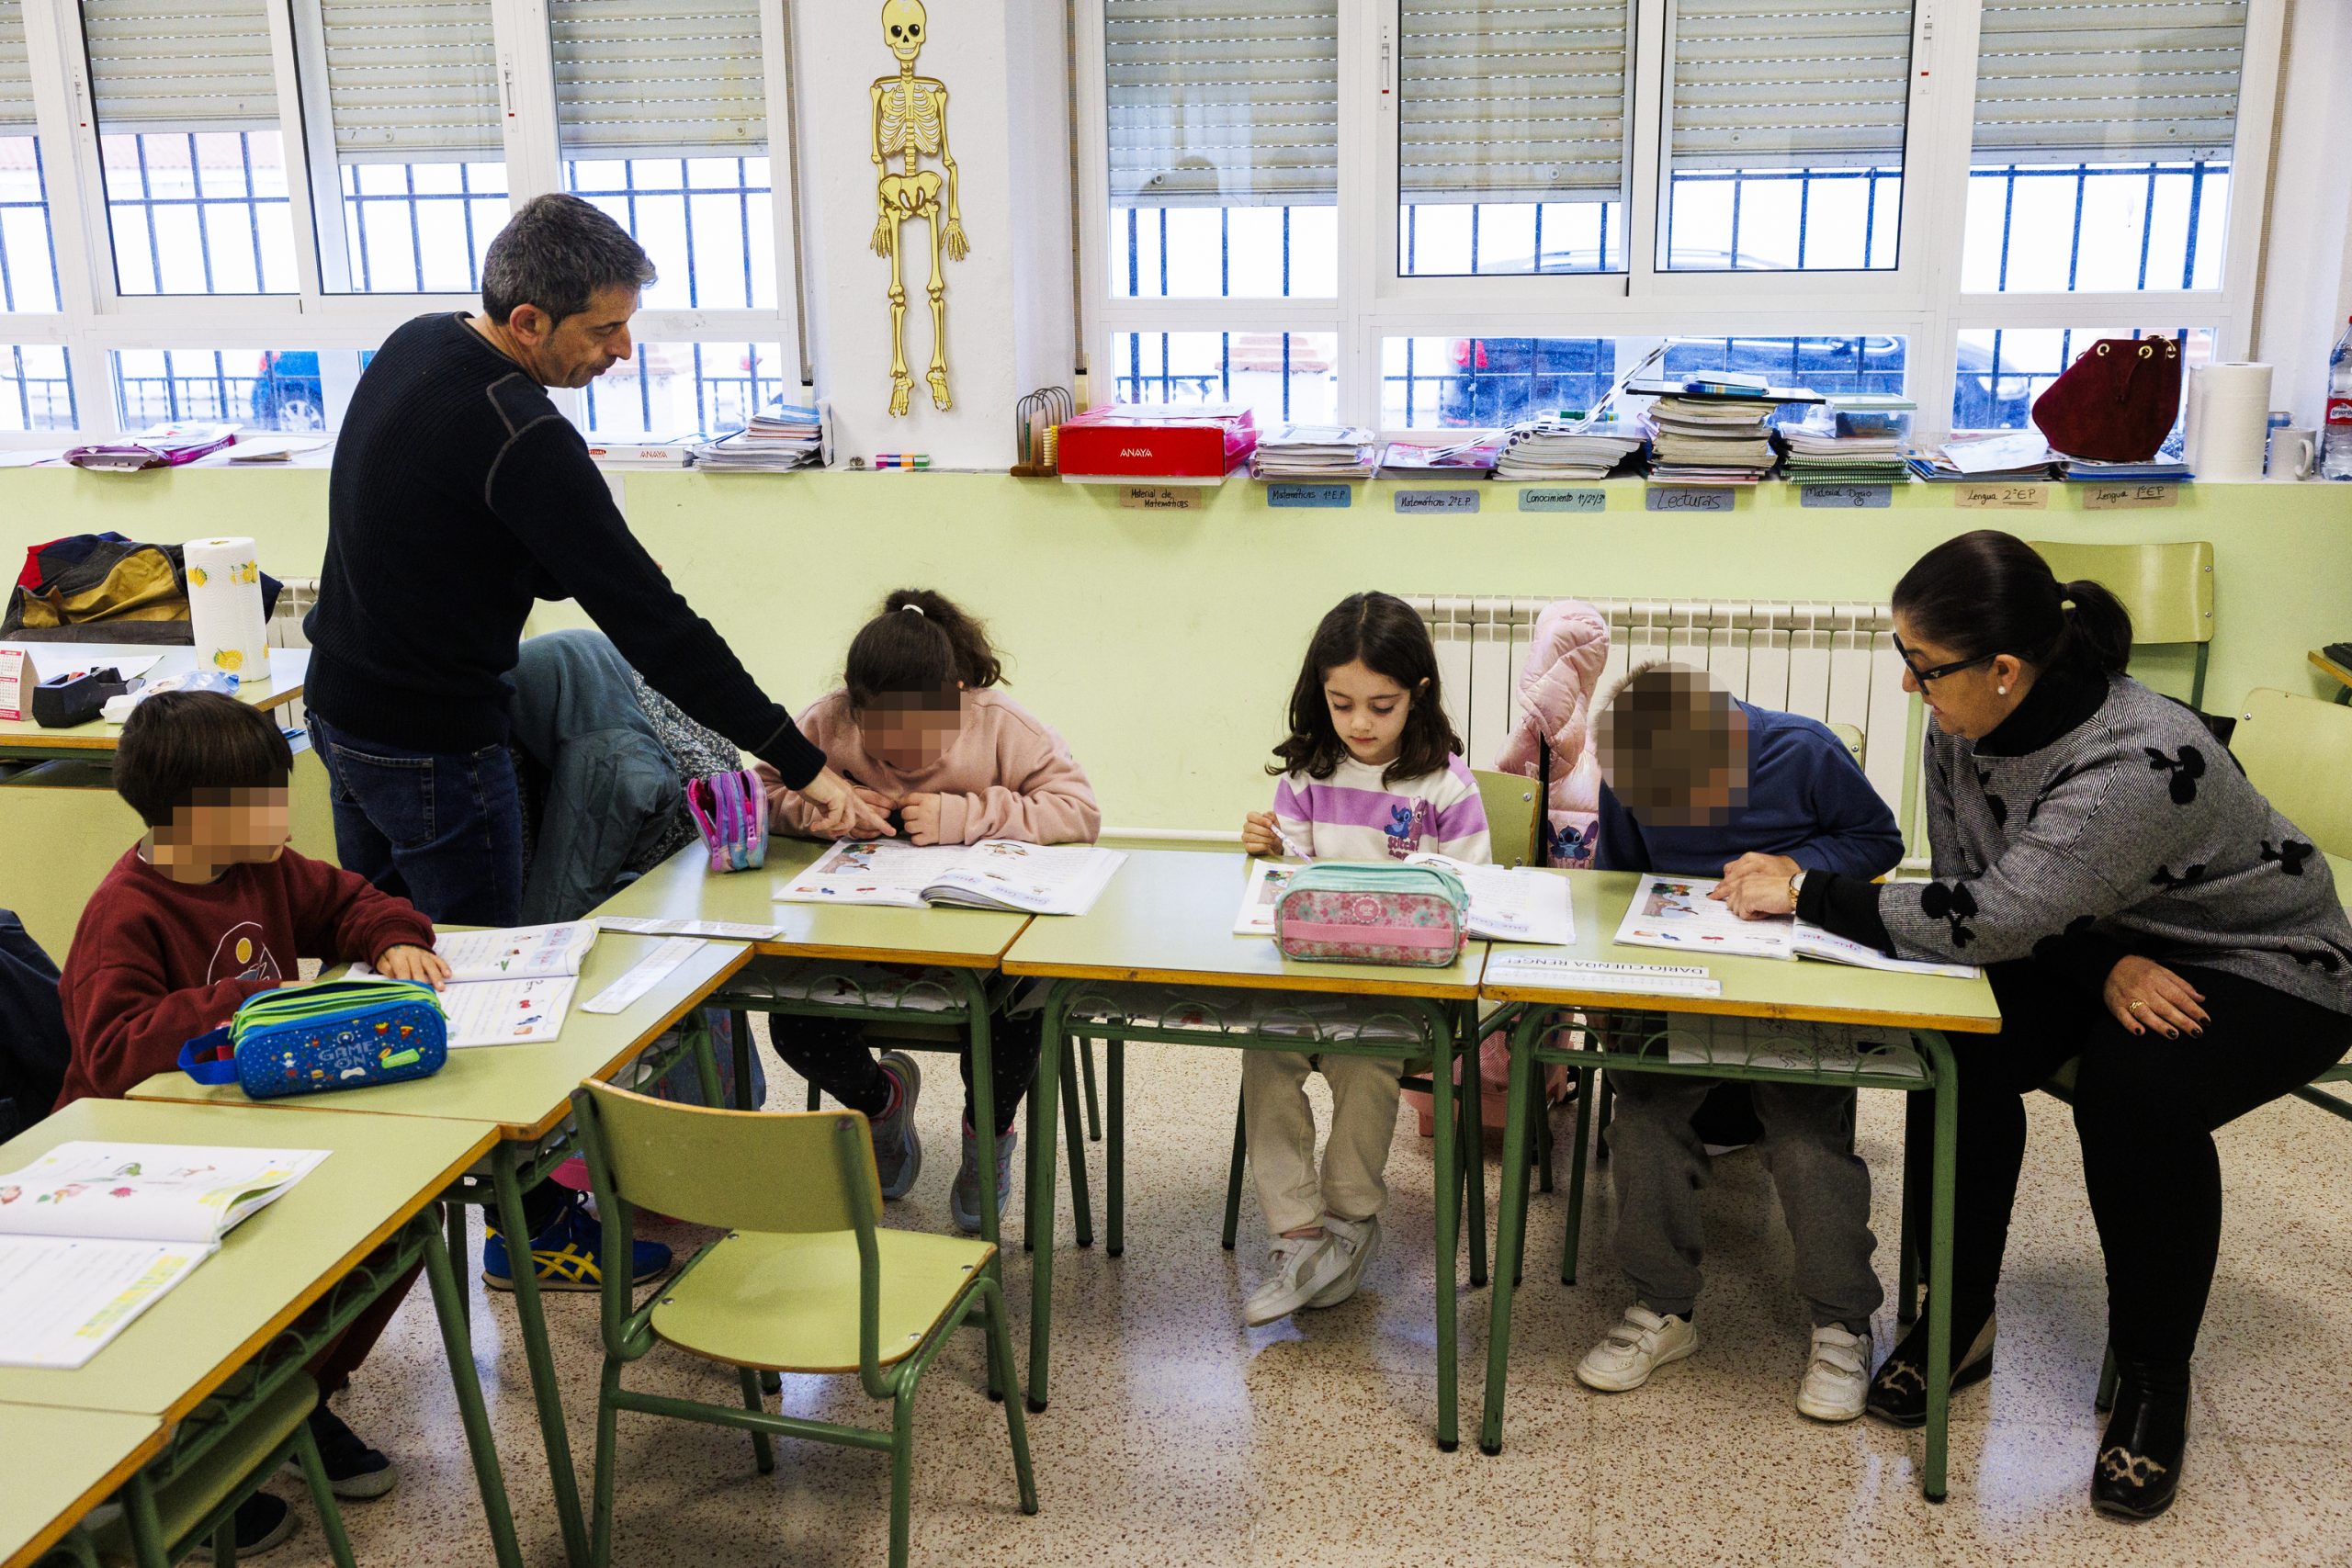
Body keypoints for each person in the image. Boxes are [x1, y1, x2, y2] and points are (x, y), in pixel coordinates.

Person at [302, 192, 889, 1287]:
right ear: (529, 321)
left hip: (340, 713)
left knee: (380, 968)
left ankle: (380, 1211)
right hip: (433, 746)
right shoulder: (526, 435)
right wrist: (805, 765)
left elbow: (438, 532)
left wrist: (547, 556)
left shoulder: (418, 347)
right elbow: (659, 628)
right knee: (490, 993)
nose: (623, 351)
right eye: (603, 331)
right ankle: (529, 1242)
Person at [1721, 530, 2352, 1518]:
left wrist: (1805, 891)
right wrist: (2101, 960)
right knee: (1954, 1043)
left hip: (2265, 960)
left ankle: (2152, 1383)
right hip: (2086, 933)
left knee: (2132, 1090)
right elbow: (1987, 900)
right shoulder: (1959, 723)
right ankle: (1956, 1323)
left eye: (1921, 668)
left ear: (2005, 671)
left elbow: (1987, 918)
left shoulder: (2136, 760)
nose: (1908, 689)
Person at [52, 691, 455, 1552]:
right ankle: (200, 1448)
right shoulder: (124, 911)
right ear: (193, 819)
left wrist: (390, 937)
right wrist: (243, 997)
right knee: (229, 1290)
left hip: (252, 1135)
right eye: (264, 801)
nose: (284, 813)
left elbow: (353, 899)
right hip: (141, 1165)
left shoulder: (262, 864)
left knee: (398, 1231)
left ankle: (294, 1401)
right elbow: (114, 1052)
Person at [1576, 663, 1905, 1422]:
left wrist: (1795, 869)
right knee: (1647, 1119)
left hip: (1791, 987)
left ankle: (1841, 1322)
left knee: (1803, 1137)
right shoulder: (1629, 772)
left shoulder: (1806, 751)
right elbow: (1615, 878)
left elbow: (1878, 840)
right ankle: (1663, 1307)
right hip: (1681, 978)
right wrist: (1606, 986)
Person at [761, 590, 1100, 1232]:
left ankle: (987, 1140)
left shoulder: (1000, 723)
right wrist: (822, 805)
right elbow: (763, 791)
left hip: (980, 957)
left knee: (1016, 1013)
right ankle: (880, 1104)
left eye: (925, 739)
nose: (908, 759)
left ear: (958, 697)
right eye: (887, 744)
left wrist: (967, 815)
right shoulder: (825, 723)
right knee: (791, 1018)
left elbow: (1080, 811)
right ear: (854, 711)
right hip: (861, 941)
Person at [1236, 592, 1491, 1326]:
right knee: (1267, 1051)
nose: (1359, 724)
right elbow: (1286, 885)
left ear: (1419, 694)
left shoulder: (1445, 783)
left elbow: (1471, 896)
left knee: (1365, 1059)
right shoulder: (1307, 774)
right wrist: (1268, 852)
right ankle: (1298, 1232)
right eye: (1341, 703)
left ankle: (1349, 1223)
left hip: (1399, 992)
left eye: (1381, 706)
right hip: (1311, 980)